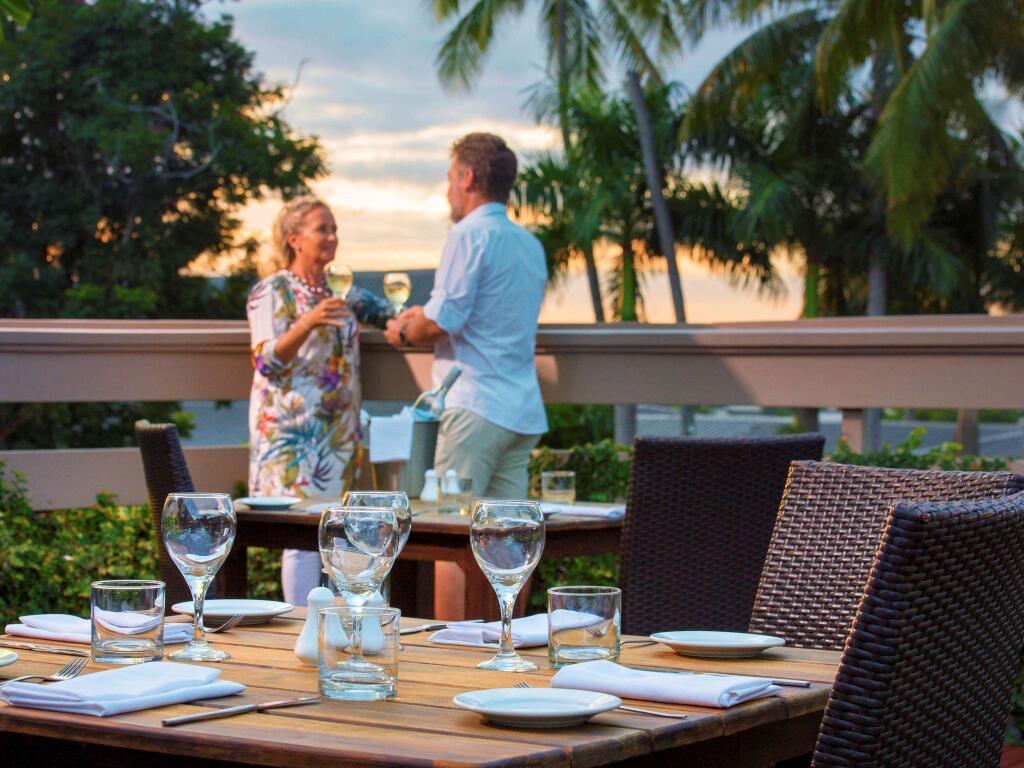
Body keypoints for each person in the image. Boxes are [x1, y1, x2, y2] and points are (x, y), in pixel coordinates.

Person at [384, 133, 548, 618]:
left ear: (469, 177)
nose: (447, 190)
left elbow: (443, 321)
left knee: (454, 538)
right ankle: (503, 642)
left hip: (474, 406)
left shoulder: (467, 235)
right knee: (509, 546)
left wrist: (404, 329)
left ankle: (453, 649)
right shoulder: (529, 245)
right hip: (519, 408)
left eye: (451, 177)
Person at [247, 196, 393, 605]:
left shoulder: (343, 291)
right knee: (301, 534)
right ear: (294, 238)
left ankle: (338, 624)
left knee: (337, 533)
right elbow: (265, 360)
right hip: (294, 432)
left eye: (334, 230)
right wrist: (308, 321)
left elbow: (391, 314)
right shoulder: (272, 290)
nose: (332, 237)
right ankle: (301, 623)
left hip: (339, 433)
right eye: (321, 229)